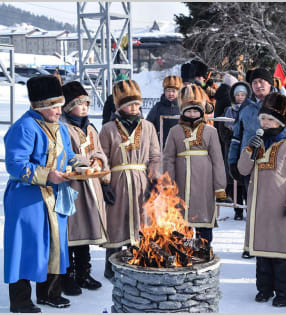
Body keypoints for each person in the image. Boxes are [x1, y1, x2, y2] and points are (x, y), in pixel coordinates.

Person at [4, 75, 85, 312]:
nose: (61, 111)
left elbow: (68, 155)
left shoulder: (60, 128)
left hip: (54, 196)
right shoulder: (24, 127)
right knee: (26, 247)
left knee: (55, 245)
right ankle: (20, 301)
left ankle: (49, 293)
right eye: (56, 106)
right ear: (41, 107)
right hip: (27, 199)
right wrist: (47, 174)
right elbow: (15, 164)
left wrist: (79, 166)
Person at [238, 93, 286, 307]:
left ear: (279, 122)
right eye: (262, 119)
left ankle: (285, 292)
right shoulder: (257, 144)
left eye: (269, 119)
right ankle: (264, 289)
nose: (264, 123)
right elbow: (243, 170)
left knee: (280, 253)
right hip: (258, 207)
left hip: (281, 207)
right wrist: (249, 150)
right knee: (261, 252)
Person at [99, 79, 160, 279]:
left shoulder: (149, 127)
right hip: (118, 181)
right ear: (120, 106)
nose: (134, 108)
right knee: (117, 222)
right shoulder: (108, 129)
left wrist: (154, 179)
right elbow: (102, 158)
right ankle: (112, 263)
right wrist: (105, 183)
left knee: (141, 222)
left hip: (141, 179)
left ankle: (139, 259)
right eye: (129, 104)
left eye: (136, 104)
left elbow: (155, 156)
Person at [60, 81, 109, 295]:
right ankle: (67, 276)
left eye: (87, 104)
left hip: (91, 185)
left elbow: (97, 150)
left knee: (86, 232)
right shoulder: (62, 127)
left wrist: (98, 161)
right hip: (71, 187)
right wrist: (81, 161)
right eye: (79, 104)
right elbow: (62, 155)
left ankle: (83, 272)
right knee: (71, 233)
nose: (84, 108)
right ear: (68, 106)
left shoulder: (90, 127)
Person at [163, 84, 227, 246]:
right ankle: (181, 252)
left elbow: (218, 160)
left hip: (204, 183)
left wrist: (220, 187)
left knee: (203, 219)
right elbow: (168, 158)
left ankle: (204, 249)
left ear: (202, 112)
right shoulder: (175, 131)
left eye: (195, 111)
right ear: (183, 112)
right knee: (180, 219)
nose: (192, 114)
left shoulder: (210, 132)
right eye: (189, 111)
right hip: (181, 183)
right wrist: (168, 184)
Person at [220, 81, 251, 220]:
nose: (240, 97)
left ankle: (249, 208)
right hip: (232, 147)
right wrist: (231, 138)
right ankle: (237, 209)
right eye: (237, 94)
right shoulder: (228, 111)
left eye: (242, 94)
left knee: (246, 180)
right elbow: (222, 129)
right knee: (234, 180)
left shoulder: (251, 109)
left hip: (246, 148)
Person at [146, 75, 183, 148]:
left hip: (179, 146)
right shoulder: (158, 107)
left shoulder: (183, 107)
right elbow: (148, 124)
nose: (170, 94)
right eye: (168, 91)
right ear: (164, 91)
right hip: (161, 146)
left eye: (173, 91)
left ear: (178, 92)